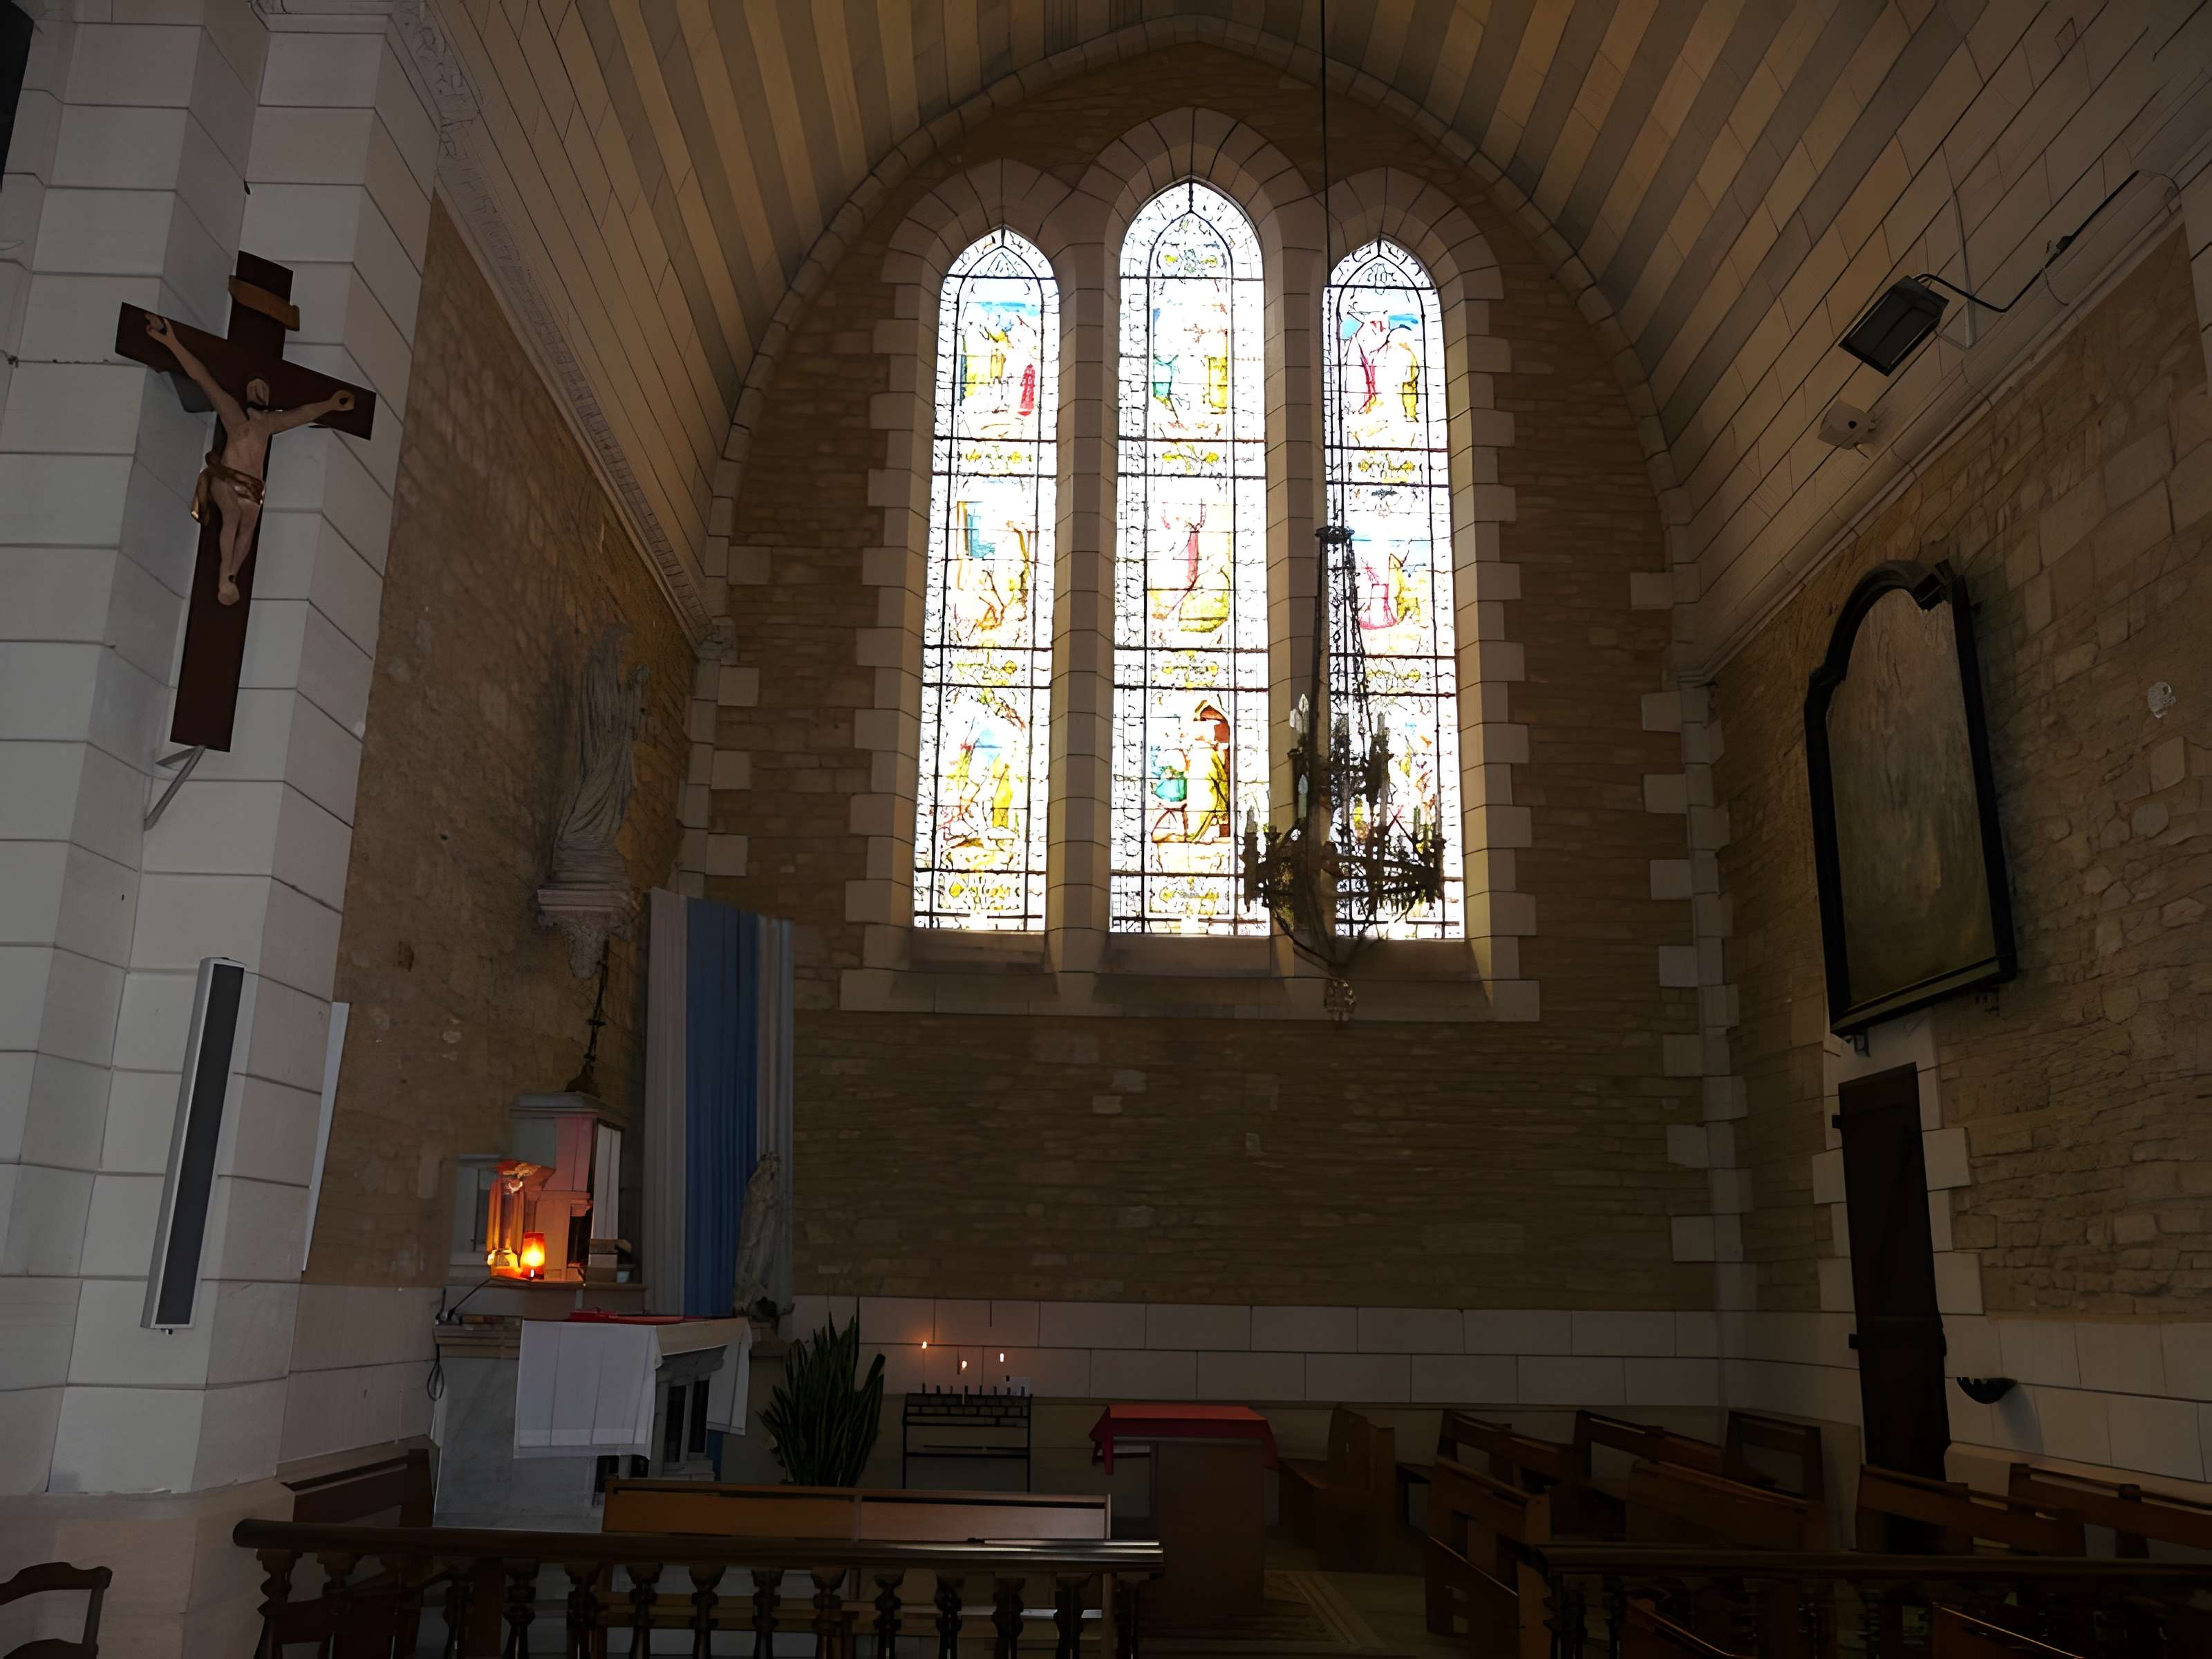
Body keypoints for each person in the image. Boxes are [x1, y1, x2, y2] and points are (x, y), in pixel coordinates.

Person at [144, 313, 355, 604]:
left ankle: (233, 574)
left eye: (264, 390)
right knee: (230, 517)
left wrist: (330, 404)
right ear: (245, 393)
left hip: (254, 486)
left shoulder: (269, 424)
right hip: (228, 478)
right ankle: (224, 577)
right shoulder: (233, 415)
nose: (259, 391)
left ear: (269, 399)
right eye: (254, 388)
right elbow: (201, 377)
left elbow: (303, 413)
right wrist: (172, 342)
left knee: (249, 526)